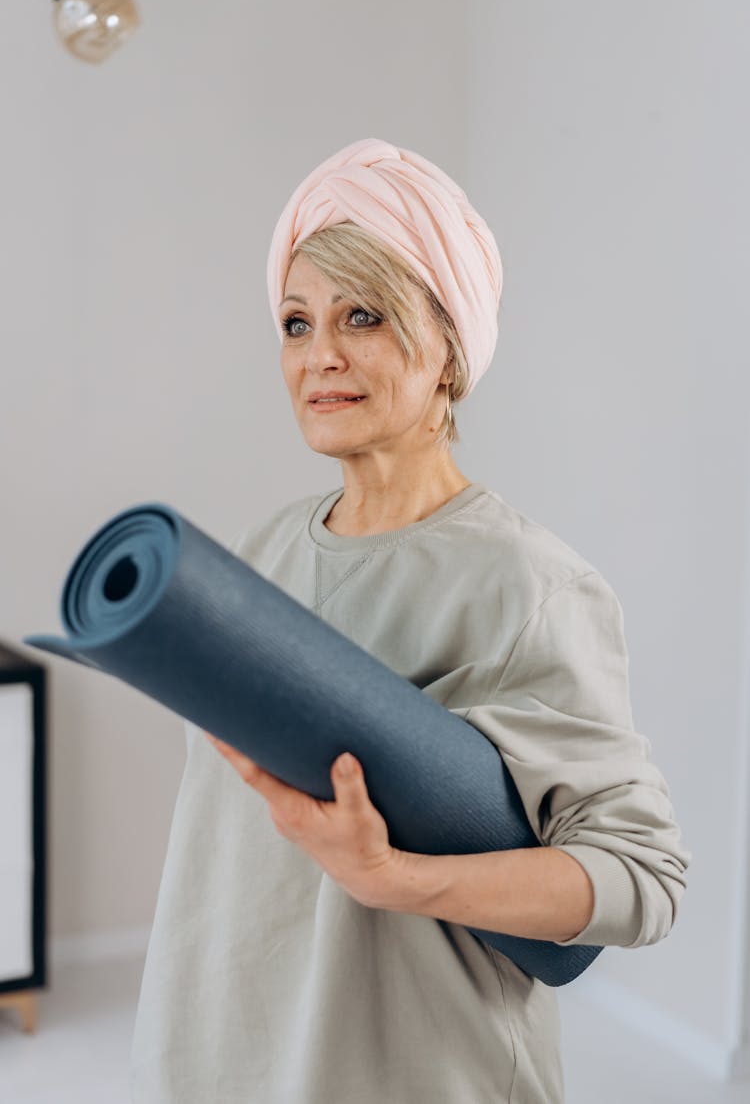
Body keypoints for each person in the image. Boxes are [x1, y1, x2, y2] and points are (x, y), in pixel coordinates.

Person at [128, 137, 692, 1104]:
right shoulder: (257, 555)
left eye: (364, 316)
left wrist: (402, 878)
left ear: (449, 348)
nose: (322, 356)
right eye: (297, 322)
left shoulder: (530, 583)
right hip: (221, 1057)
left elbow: (643, 877)